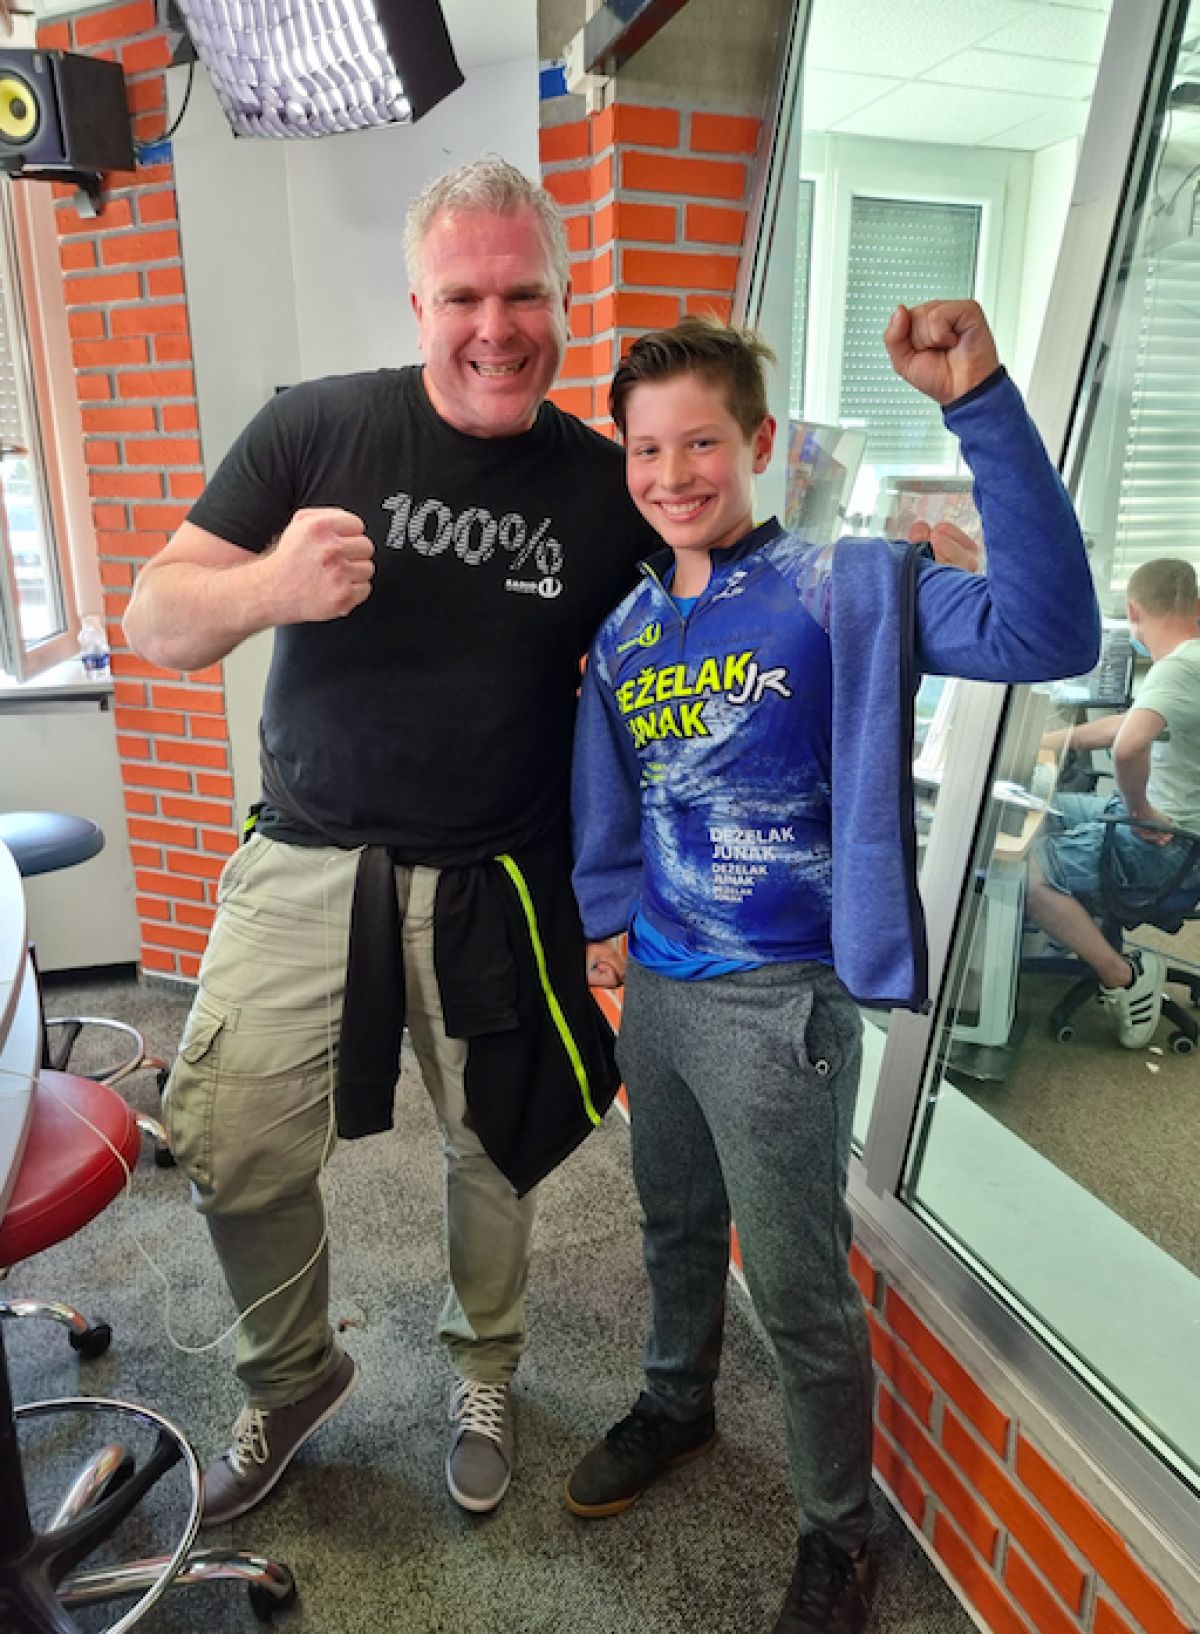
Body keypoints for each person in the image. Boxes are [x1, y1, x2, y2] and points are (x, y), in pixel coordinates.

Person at [121, 156, 664, 1526]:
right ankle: (293, 1372)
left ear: (563, 299)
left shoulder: (606, 490)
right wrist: (270, 584)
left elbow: (710, 633)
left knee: (496, 1147)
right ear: (419, 303)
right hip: (307, 855)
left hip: (504, 872)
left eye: (526, 293)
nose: (498, 326)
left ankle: (484, 1367)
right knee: (228, 1139)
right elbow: (157, 618)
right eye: (464, 296)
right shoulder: (317, 428)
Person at [566, 303, 1100, 1634]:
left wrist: (978, 403)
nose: (673, 472)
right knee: (673, 1220)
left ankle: (840, 1534)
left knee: (801, 1289)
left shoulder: (843, 587)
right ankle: (678, 1400)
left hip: (778, 1004)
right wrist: (604, 919)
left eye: (702, 441)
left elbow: (1049, 633)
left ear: (759, 443)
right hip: (660, 995)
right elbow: (613, 791)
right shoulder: (629, 629)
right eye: (646, 449)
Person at [1027, 556, 1200, 1047]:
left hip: (1168, 846)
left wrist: (1139, 811)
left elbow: (1127, 746)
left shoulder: (1178, 668)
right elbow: (1125, 725)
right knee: (1045, 810)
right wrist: (1047, 742)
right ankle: (1071, 928)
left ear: (1133, 611)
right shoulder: (1189, 663)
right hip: (1178, 833)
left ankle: (1122, 973)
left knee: (1023, 875)